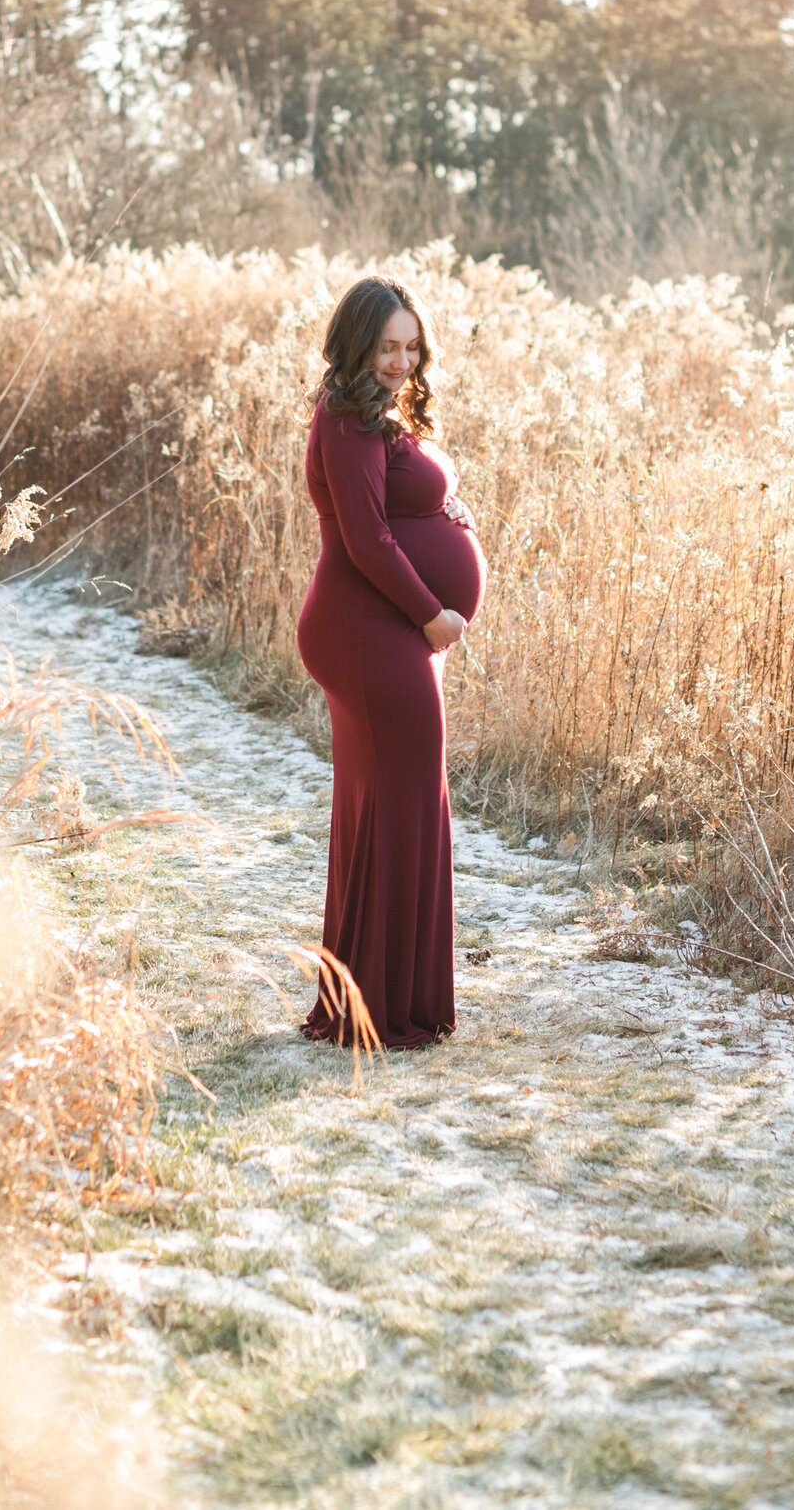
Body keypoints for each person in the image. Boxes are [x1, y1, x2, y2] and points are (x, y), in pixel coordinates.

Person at [297, 274, 487, 1048]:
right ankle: (382, 1008)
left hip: (384, 631)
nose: (402, 362)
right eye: (387, 348)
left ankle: (369, 1000)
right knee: (402, 805)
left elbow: (396, 513)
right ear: (358, 346)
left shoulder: (376, 416)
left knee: (390, 808)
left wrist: (450, 515)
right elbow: (367, 541)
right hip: (367, 631)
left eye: (412, 347)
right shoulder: (344, 421)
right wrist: (433, 615)